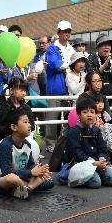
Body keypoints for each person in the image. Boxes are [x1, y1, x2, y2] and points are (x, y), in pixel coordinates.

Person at [0, 109, 52, 199]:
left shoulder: (27, 145)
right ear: (14, 127)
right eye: (25, 122)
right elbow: (6, 172)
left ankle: (25, 189)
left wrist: (40, 171)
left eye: (29, 122)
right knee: (12, 178)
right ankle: (30, 187)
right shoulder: (5, 145)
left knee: (44, 177)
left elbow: (30, 167)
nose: (29, 125)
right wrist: (31, 173)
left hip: (21, 177)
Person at [65, 98, 112, 188]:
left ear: (95, 114)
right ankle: (80, 177)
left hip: (97, 162)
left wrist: (101, 159)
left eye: (92, 112)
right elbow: (77, 153)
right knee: (96, 183)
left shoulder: (96, 130)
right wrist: (93, 163)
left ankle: (94, 175)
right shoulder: (74, 131)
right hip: (80, 163)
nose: (89, 115)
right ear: (79, 115)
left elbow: (102, 148)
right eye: (85, 112)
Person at [45, 20, 75, 148]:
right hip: (55, 87)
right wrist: (70, 66)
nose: (67, 33)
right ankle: (50, 144)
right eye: (64, 31)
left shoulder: (71, 48)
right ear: (58, 32)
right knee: (52, 117)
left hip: (70, 87)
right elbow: (55, 64)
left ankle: (65, 143)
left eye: (69, 31)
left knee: (68, 116)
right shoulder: (52, 48)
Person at [0, 77, 35, 143]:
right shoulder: (2, 108)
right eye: (21, 90)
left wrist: (22, 128)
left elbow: (32, 126)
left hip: (22, 144)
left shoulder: (26, 108)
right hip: (6, 144)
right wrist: (14, 129)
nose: (24, 93)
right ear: (11, 90)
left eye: (25, 90)